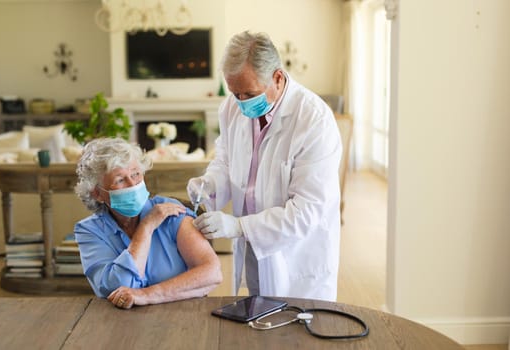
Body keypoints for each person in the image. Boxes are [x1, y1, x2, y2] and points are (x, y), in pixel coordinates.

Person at [187, 31, 342, 301]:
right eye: (236, 93)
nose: (243, 102)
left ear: (278, 78)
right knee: (256, 319)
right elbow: (225, 158)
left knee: (296, 334)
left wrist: (238, 227)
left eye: (250, 93)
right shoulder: (231, 108)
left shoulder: (314, 120)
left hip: (296, 258)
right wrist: (210, 183)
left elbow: (306, 212)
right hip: (254, 248)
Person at [74, 137, 222, 309]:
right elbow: (116, 287)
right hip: (119, 323)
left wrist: (147, 295)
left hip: (182, 316)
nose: (132, 185)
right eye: (120, 180)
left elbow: (212, 273)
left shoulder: (171, 212)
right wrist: (146, 227)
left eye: (136, 174)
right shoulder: (89, 231)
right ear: (98, 194)